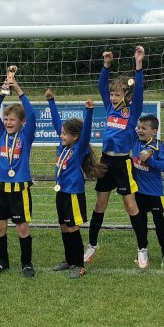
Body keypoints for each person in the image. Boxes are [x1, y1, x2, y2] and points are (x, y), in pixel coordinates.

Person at [84, 46, 145, 264]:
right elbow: (102, 84)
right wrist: (106, 65)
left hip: (123, 163)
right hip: (105, 161)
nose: (112, 96)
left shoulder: (133, 111)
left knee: (131, 206)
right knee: (100, 205)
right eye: (111, 94)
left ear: (126, 96)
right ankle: (92, 245)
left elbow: (139, 91)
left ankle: (142, 248)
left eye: (116, 94)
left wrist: (138, 65)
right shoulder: (110, 108)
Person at [45, 91, 106, 278]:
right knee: (63, 226)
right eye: (61, 133)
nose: (61, 135)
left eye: (65, 134)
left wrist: (89, 112)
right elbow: (56, 122)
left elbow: (86, 131)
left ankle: (79, 264)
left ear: (76, 137)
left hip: (73, 193)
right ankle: (69, 260)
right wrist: (51, 101)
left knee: (72, 227)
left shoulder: (78, 149)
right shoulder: (62, 146)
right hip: (61, 192)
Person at [0, 72, 37, 277]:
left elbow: (32, 114)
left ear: (21, 122)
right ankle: (2, 262)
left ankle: (26, 263)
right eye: (6, 119)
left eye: (12, 120)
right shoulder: (0, 133)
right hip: (0, 187)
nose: (8, 123)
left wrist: (17, 89)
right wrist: (2, 93)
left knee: (22, 228)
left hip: (19, 188)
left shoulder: (26, 135)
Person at [131, 114, 164, 269]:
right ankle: (143, 251)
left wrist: (150, 160)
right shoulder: (135, 142)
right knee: (140, 224)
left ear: (153, 131)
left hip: (154, 194)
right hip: (138, 193)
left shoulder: (158, 147)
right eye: (139, 127)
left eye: (144, 128)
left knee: (159, 223)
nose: (140, 130)